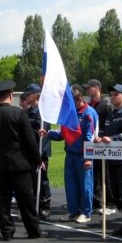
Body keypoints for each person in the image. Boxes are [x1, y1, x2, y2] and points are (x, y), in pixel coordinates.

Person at [0, 80, 47, 241]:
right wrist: (38, 160)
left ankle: (7, 231)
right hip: (20, 164)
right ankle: (33, 230)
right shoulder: (19, 113)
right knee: (26, 200)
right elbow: (30, 140)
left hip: (0, 165)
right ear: (11, 95)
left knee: (3, 201)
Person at [42, 84, 98, 224]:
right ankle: (73, 211)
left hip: (83, 156)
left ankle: (86, 212)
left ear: (78, 100)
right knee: (71, 184)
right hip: (71, 155)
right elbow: (63, 134)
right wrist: (48, 134)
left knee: (85, 185)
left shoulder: (89, 113)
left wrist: (88, 158)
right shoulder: (69, 114)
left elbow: (90, 137)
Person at [95, 84, 122, 239]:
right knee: (118, 194)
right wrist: (99, 137)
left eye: (116, 94)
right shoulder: (112, 113)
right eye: (111, 94)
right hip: (112, 158)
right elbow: (107, 132)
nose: (112, 97)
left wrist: (112, 139)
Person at [84, 79, 116, 214]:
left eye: (89, 88)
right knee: (95, 172)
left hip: (104, 143)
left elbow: (110, 123)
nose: (86, 90)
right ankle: (97, 201)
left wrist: (102, 136)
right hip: (93, 143)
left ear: (97, 88)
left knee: (106, 173)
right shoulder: (89, 104)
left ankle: (110, 203)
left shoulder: (107, 104)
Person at [24, 83, 52, 219]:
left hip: (41, 149)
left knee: (43, 179)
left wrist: (30, 133)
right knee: (32, 180)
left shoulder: (43, 111)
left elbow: (43, 131)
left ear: (36, 95)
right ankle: (34, 204)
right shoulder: (27, 111)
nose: (26, 96)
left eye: (29, 94)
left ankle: (45, 205)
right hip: (29, 150)